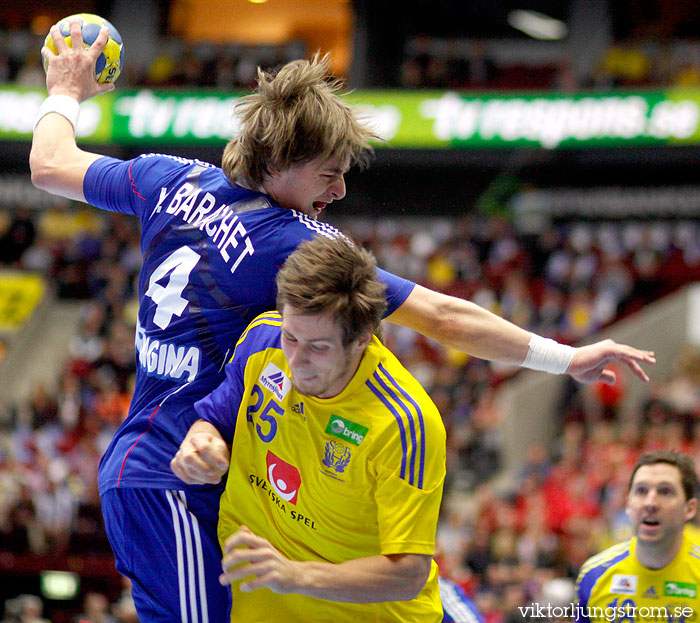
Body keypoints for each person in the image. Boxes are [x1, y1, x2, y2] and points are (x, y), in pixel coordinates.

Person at [32, 19, 656, 622]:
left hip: (159, 466)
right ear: (278, 159)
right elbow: (440, 313)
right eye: (329, 172)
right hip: (176, 474)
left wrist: (64, 89)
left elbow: (50, 164)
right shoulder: (295, 241)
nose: (340, 191)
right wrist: (564, 357)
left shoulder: (166, 177)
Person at [171, 236, 446, 621]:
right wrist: (202, 442)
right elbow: (214, 419)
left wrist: (296, 575)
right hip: (261, 604)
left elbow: (408, 573)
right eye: (291, 337)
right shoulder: (265, 338)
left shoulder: (403, 423)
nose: (296, 360)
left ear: (361, 341)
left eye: (318, 347)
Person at [575, 450, 700, 623]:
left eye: (665, 491)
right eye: (641, 491)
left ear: (690, 509)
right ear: (628, 504)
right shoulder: (595, 574)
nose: (650, 503)